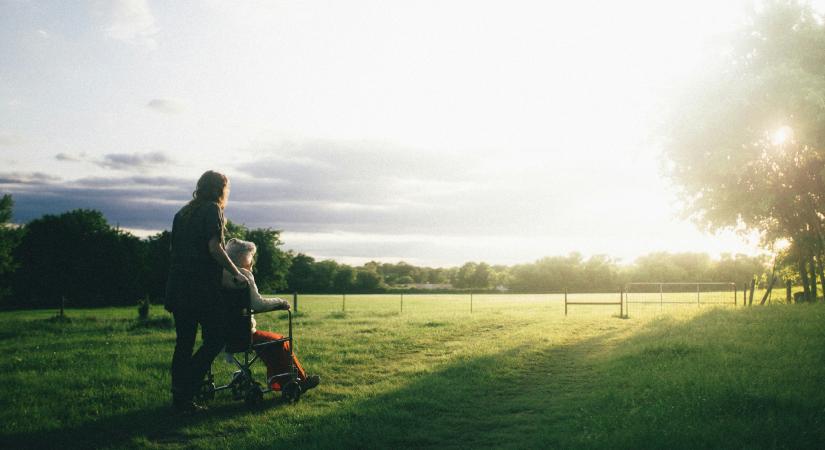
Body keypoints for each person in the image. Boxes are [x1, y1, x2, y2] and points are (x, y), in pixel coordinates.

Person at [165, 170, 248, 414]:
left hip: (177, 286)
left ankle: (180, 398)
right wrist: (236, 272)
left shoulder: (182, 213)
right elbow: (214, 248)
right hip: (200, 288)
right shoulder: (212, 209)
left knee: (184, 343)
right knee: (216, 338)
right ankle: (188, 387)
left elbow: (177, 251)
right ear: (220, 189)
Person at [222, 238, 320, 393]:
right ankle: (298, 380)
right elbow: (258, 304)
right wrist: (280, 302)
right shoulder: (243, 275)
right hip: (243, 334)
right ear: (242, 257)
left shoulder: (220, 274)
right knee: (279, 341)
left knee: (271, 341)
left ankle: (284, 379)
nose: (252, 261)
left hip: (221, 334)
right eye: (250, 257)